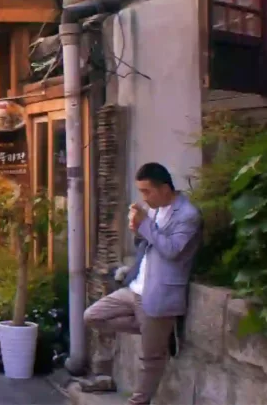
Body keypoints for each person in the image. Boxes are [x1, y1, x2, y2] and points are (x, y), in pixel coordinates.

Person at [84, 162, 202, 405]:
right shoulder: (156, 209)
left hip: (160, 294)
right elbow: (149, 245)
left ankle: (138, 402)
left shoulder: (188, 215)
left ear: (165, 188)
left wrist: (145, 224)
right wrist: (138, 229)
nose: (144, 198)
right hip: (136, 287)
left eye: (147, 191)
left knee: (150, 359)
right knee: (93, 316)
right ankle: (157, 332)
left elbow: (172, 250)